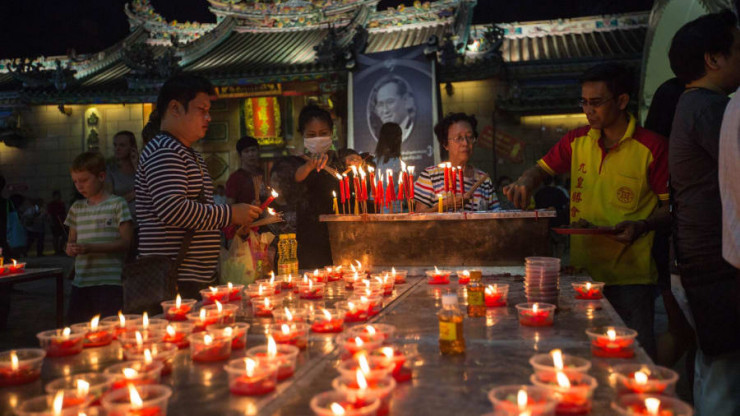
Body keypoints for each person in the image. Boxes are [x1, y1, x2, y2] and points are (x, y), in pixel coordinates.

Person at [504, 63, 671, 359]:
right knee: (584, 359)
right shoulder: (577, 140)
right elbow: (541, 170)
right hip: (582, 277)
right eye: (583, 102)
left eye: (595, 102)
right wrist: (524, 183)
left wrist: (642, 225)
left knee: (635, 360)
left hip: (631, 278)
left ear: (621, 101)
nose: (587, 110)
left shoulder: (652, 147)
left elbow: (669, 206)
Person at [668, 10, 740, 415]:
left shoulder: (693, 105)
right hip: (713, 261)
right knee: (725, 376)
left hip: (697, 258)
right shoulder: (712, 110)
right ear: (713, 59)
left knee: (713, 368)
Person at [135, 74, 262, 299]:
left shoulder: (185, 151)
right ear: (175, 108)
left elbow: (199, 212)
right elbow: (173, 210)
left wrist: (233, 223)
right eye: (201, 110)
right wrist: (231, 214)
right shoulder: (165, 150)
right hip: (174, 278)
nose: (209, 117)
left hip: (192, 276)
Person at [65, 151, 133, 323]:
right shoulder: (77, 208)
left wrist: (91, 248)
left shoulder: (117, 204)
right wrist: (71, 249)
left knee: (109, 326)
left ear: (101, 177)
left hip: (109, 281)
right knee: (78, 327)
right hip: (81, 282)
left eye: (84, 180)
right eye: (75, 182)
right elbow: (70, 242)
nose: (79, 186)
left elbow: (126, 243)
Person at [275, 104, 339, 269]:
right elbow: (290, 181)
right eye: (311, 135)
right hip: (302, 239)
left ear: (332, 133)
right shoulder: (290, 163)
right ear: (302, 135)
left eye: (323, 134)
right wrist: (309, 166)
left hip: (336, 237)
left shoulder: (339, 161)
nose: (318, 138)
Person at [414, 113, 499, 212]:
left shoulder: (484, 180)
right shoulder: (430, 176)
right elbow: (418, 218)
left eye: (470, 137)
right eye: (458, 138)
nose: (465, 143)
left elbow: (496, 217)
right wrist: (443, 206)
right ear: (445, 144)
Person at [370, 75, 415, 140]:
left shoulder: (416, 130)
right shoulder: (380, 137)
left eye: (390, 102)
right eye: (380, 104)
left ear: (405, 100)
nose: (385, 110)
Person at [106, 130, 138, 223]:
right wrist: (134, 194)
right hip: (122, 221)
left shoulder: (140, 167)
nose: (117, 149)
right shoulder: (111, 171)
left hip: (142, 221)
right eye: (115, 145)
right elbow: (110, 202)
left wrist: (136, 165)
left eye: (122, 145)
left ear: (132, 147)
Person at [225, 136, 263, 205]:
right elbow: (230, 206)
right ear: (240, 155)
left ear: (258, 152)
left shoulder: (263, 173)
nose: (251, 154)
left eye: (253, 150)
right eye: (246, 151)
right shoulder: (235, 178)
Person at [47, 190, 67, 255]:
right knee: (56, 237)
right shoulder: (51, 204)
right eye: (57, 196)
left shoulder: (61, 203)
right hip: (55, 222)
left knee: (64, 236)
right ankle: (56, 250)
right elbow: (49, 214)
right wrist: (51, 222)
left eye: (59, 196)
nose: (58, 197)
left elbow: (64, 213)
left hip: (62, 222)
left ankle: (61, 249)